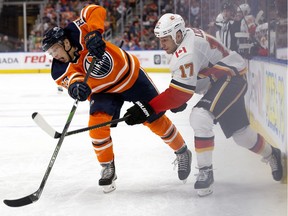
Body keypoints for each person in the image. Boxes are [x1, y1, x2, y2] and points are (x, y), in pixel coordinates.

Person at [123, 13, 285, 197]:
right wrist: (176, 99)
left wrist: (147, 109)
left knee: (200, 116)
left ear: (177, 34)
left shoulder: (186, 51)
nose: (162, 44)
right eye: (160, 39)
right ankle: (273, 154)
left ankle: (205, 171)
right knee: (241, 135)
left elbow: (180, 92)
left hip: (230, 77)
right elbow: (185, 86)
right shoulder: (183, 40)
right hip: (224, 78)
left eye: (165, 39)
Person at [41, 4, 192, 193]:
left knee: (155, 119)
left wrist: (94, 33)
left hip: (131, 76)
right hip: (104, 91)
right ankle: (107, 167)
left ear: (64, 42)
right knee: (97, 126)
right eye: (50, 52)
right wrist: (76, 88)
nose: (54, 55)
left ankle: (182, 151)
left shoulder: (77, 30)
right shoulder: (58, 70)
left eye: (55, 49)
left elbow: (95, 9)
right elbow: (74, 79)